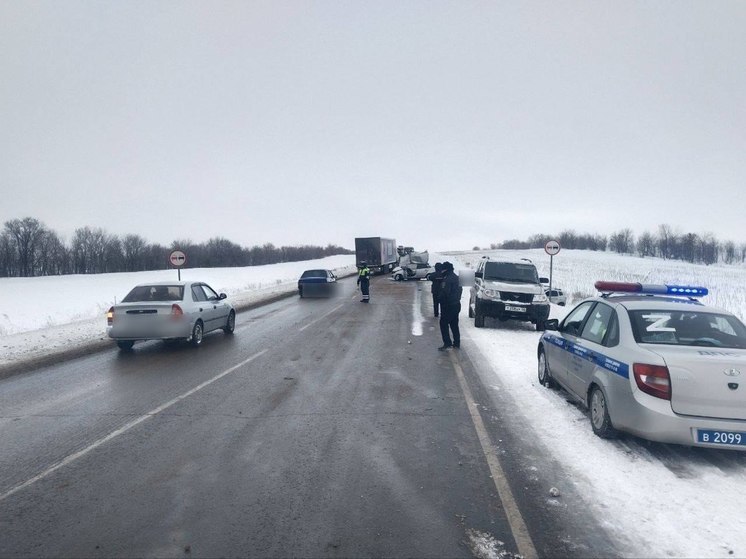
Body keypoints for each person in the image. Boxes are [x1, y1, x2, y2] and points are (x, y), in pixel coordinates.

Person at [437, 261, 461, 350]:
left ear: (446, 270)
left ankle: (447, 343)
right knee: (454, 324)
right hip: (456, 304)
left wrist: (439, 299)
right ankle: (457, 343)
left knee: (443, 323)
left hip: (448, 305)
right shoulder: (457, 278)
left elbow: (444, 293)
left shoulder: (447, 280)